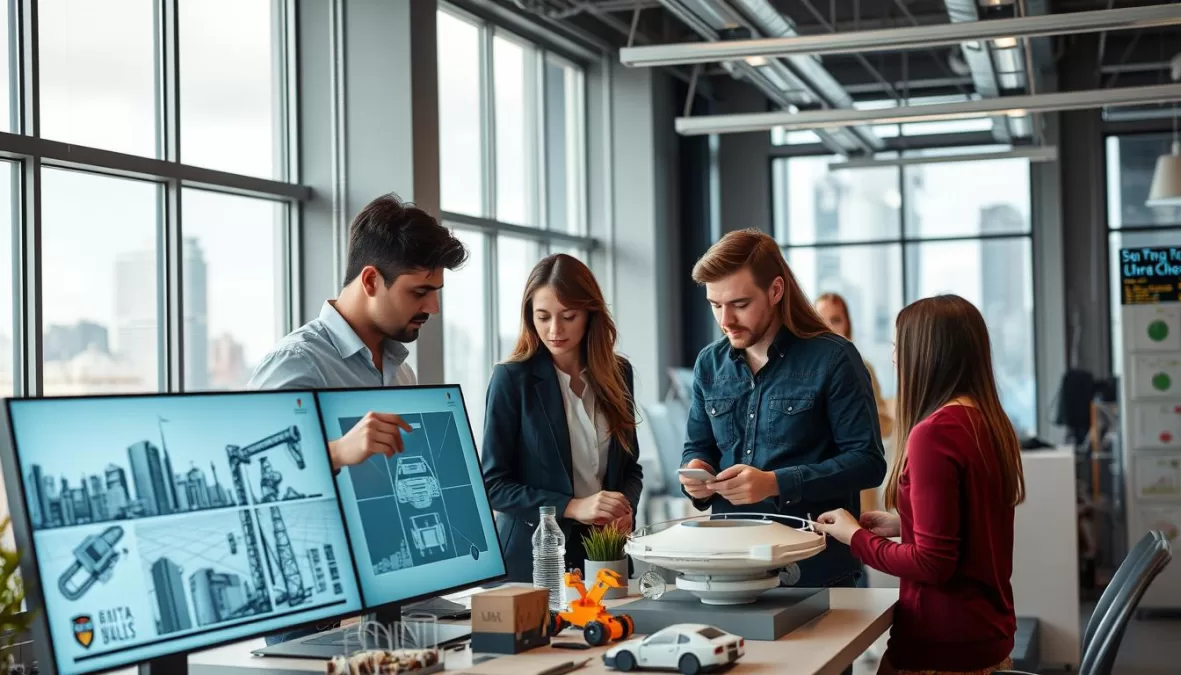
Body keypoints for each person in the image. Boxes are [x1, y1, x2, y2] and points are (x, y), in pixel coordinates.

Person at [814, 294, 1024, 675]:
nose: (894, 358)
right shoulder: (989, 421)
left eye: (898, 346)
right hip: (986, 636)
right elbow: (973, 522)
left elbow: (931, 564)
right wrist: (904, 523)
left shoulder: (934, 434)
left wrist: (854, 537)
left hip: (942, 646)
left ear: (927, 353)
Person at [679, 229, 886, 590]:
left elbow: (868, 461)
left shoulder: (835, 359)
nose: (725, 320)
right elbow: (698, 447)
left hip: (814, 571)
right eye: (715, 305)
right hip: (730, 568)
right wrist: (697, 473)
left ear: (775, 291)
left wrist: (775, 483)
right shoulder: (709, 364)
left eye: (740, 304)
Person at [248, 193, 468, 473]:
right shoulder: (296, 362)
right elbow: (256, 465)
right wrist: (338, 451)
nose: (433, 307)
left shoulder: (401, 372)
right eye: (419, 292)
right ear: (371, 280)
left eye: (435, 292)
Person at [482, 253, 643, 583]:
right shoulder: (511, 378)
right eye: (543, 317)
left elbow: (630, 468)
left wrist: (624, 509)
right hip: (529, 564)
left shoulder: (618, 373)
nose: (554, 330)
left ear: (589, 314)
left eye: (568, 316)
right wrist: (572, 506)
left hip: (604, 557)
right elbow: (493, 485)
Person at [815, 291, 894, 587]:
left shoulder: (861, 367)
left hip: (854, 486)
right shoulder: (803, 370)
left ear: (847, 324)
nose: (828, 326)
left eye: (835, 319)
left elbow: (885, 423)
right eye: (821, 319)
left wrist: (854, 424)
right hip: (816, 484)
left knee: (855, 562)